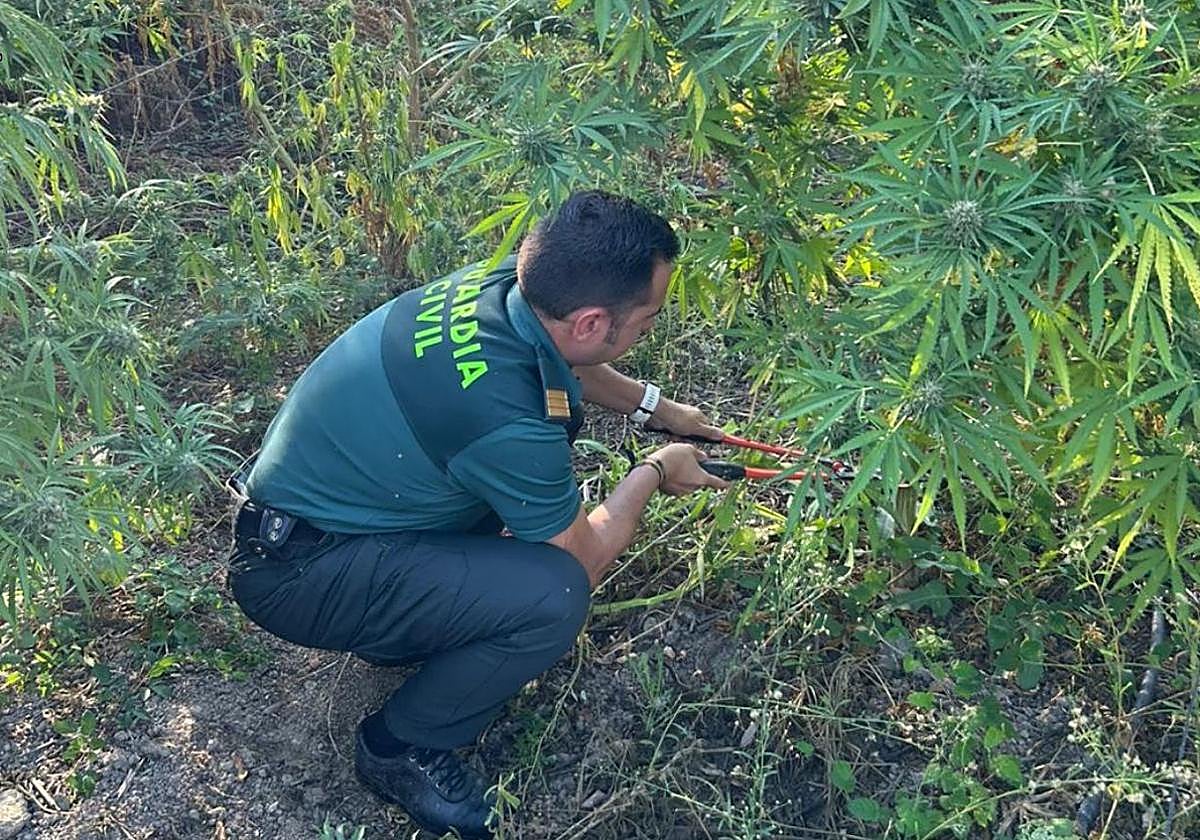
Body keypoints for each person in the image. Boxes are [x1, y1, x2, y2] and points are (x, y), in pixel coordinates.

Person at [226, 190, 729, 838]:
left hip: (315, 519)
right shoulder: (504, 419)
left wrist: (657, 410)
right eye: (647, 320)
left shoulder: (505, 289)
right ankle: (399, 747)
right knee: (553, 593)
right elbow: (584, 557)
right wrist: (654, 471)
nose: (649, 330)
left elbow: (567, 364)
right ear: (591, 323)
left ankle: (401, 629)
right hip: (297, 574)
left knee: (503, 524)